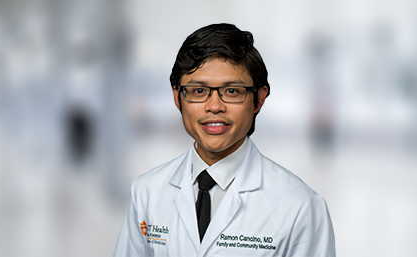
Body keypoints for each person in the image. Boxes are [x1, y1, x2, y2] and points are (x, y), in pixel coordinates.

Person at [113, 23, 335, 257]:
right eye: (198, 91)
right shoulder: (146, 192)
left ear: (259, 99)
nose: (214, 106)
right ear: (177, 98)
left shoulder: (300, 206)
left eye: (232, 91)